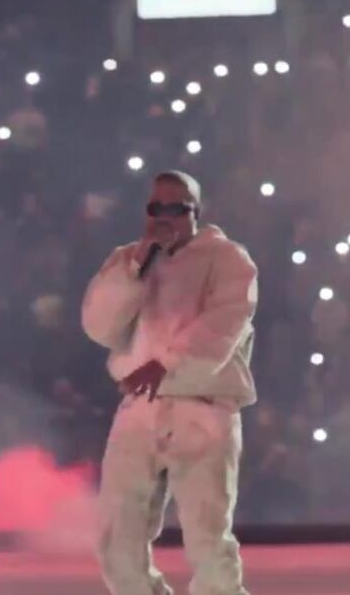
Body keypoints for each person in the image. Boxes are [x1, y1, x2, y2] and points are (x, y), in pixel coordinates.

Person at [82, 171, 259, 595]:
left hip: (203, 407)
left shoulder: (229, 259)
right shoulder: (129, 261)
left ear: (196, 212)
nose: (165, 216)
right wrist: (135, 267)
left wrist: (167, 364)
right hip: (140, 410)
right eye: (156, 208)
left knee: (207, 540)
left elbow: (223, 325)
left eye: (176, 208)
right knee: (117, 540)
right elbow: (98, 326)